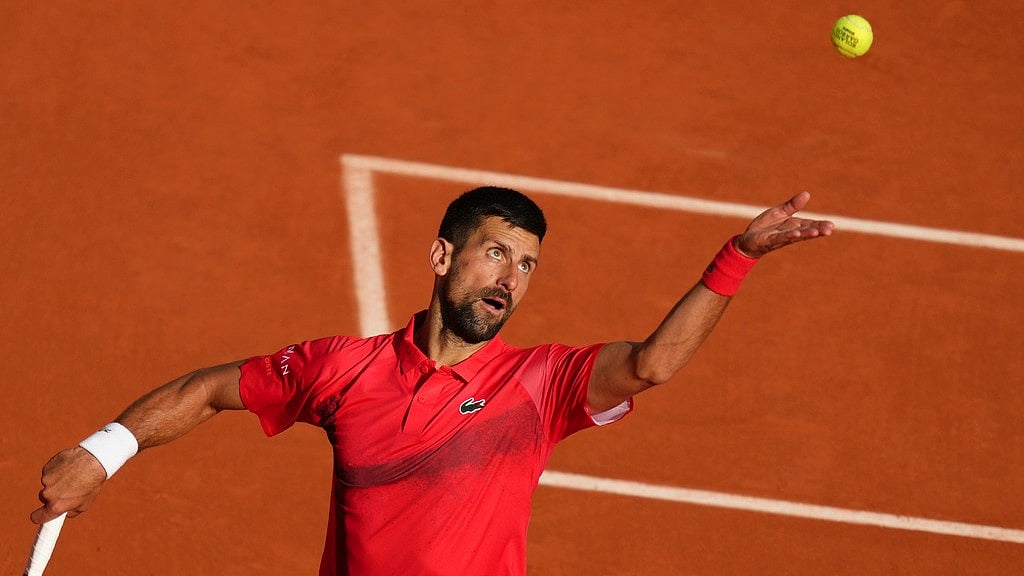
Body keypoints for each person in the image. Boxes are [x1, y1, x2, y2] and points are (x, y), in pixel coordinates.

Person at [31, 186, 834, 575]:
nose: (510, 279)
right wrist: (102, 453)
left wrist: (739, 257)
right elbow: (211, 387)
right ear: (443, 256)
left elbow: (653, 363)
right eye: (495, 253)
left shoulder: (540, 383)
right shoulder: (342, 369)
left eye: (526, 266)